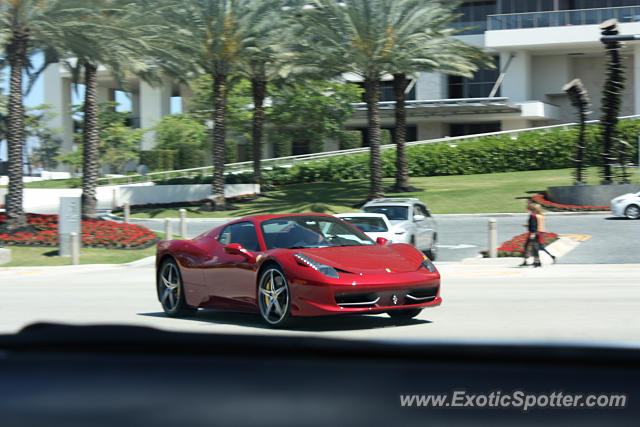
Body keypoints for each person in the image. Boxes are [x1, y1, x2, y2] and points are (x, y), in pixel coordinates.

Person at [520, 201, 540, 267]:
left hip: (533, 234)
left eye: (526, 208)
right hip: (534, 233)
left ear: (529, 208)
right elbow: (532, 225)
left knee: (530, 247)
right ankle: (536, 261)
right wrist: (527, 226)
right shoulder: (532, 214)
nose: (525, 209)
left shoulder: (532, 215)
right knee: (533, 247)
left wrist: (533, 233)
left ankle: (535, 262)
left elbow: (534, 225)